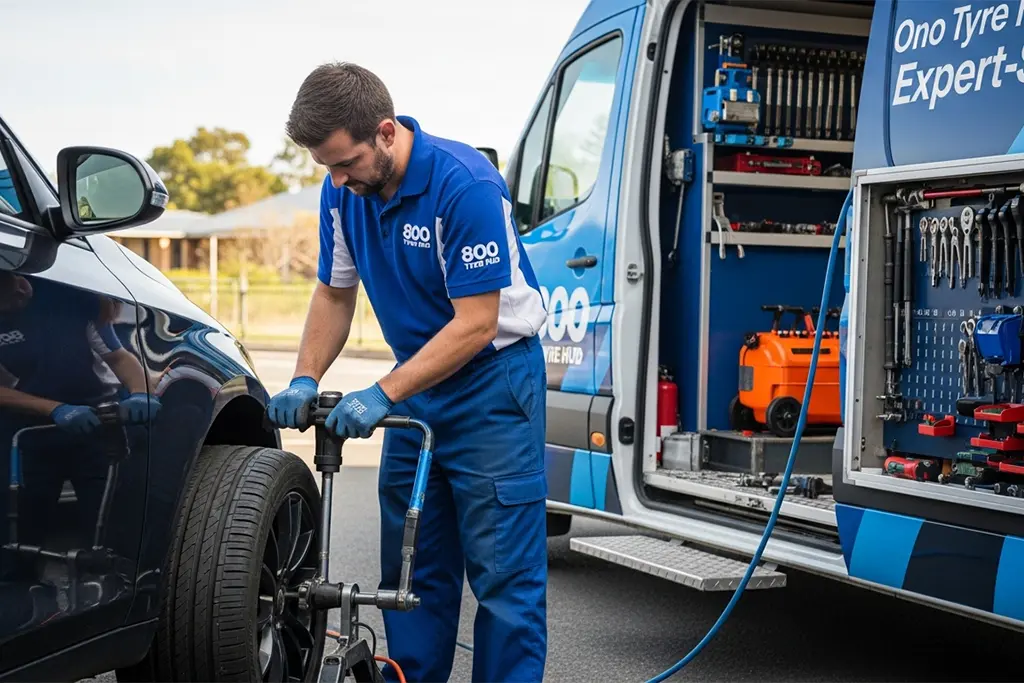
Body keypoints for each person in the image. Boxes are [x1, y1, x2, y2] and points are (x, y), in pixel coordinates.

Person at [267, 62, 549, 683]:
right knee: (413, 566)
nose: (338, 179)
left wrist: (381, 392)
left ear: (387, 132)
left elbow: (476, 323)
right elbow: (334, 293)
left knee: (504, 575)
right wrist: (305, 377)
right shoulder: (343, 193)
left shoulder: (464, 186)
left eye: (346, 162)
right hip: (417, 387)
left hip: (492, 384)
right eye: (327, 167)